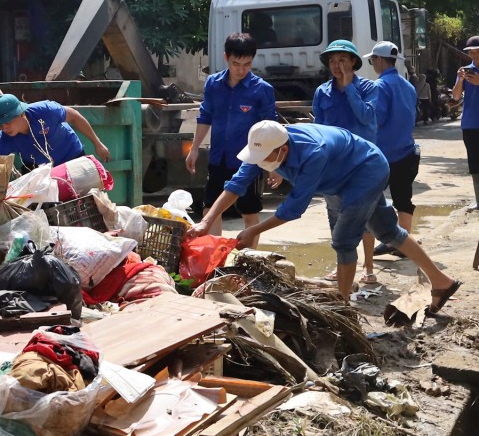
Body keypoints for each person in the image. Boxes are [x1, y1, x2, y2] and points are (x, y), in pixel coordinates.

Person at [188, 121, 461, 308]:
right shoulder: (266, 145)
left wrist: (252, 231)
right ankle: (441, 281)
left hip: (365, 170)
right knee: (389, 232)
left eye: (267, 160)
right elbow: (235, 186)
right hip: (339, 175)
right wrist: (205, 222)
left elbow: (293, 209)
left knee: (343, 240)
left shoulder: (311, 154)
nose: (260, 165)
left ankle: (343, 308)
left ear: (283, 150)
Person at [185, 33, 276, 245]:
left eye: (247, 64)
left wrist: (273, 165)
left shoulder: (262, 89)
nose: (241, 69)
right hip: (218, 158)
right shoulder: (213, 84)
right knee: (211, 210)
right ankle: (214, 259)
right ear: (226, 58)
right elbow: (205, 116)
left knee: (249, 212)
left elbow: (270, 129)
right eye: (236, 63)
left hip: (249, 162)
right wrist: (195, 148)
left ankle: (249, 258)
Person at [311, 40, 378, 282]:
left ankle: (369, 268)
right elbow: (318, 128)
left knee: (369, 217)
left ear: (353, 62)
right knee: (335, 215)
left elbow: (366, 116)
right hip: (334, 165)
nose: (336, 65)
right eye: (332, 61)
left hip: (364, 165)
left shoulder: (369, 88)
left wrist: (350, 88)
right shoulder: (322, 92)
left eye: (342, 60)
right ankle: (342, 265)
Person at [361, 42, 420, 267]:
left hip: (383, 155)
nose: (372, 64)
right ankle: (403, 244)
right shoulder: (408, 86)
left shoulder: (380, 86)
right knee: (403, 199)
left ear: (379, 60)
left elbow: (376, 119)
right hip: (407, 151)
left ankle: (379, 248)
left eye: (372, 60)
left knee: (371, 201)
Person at [0, 94, 110, 170]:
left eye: (7, 122)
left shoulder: (45, 111)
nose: (4, 128)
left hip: (72, 157)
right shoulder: (3, 140)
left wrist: (97, 144)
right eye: (0, 125)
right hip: (38, 169)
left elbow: (74, 116)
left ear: (21, 114)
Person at [451, 35, 479, 208]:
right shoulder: (466, 70)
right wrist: (460, 79)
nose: (475, 57)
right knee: (474, 164)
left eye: (477, 53)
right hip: (470, 124)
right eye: (472, 53)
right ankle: (478, 200)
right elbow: (455, 96)